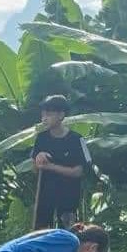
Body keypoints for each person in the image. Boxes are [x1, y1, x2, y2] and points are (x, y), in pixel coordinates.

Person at [32, 95, 92, 229]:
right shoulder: (41, 139)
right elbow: (35, 169)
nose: (44, 118)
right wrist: (38, 159)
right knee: (41, 236)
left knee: (68, 234)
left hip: (68, 199)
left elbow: (79, 172)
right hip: (45, 199)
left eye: (49, 114)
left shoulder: (76, 139)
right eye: (43, 114)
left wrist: (51, 166)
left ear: (61, 115)